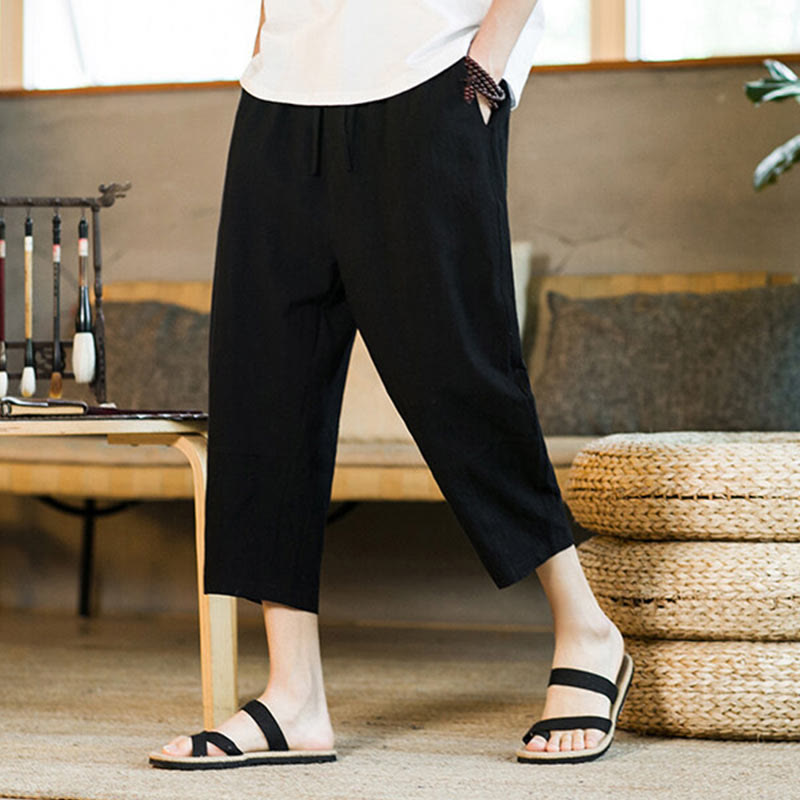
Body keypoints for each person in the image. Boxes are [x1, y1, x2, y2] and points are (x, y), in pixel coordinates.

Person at [149, 0, 632, 769]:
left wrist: (488, 65)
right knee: (265, 385)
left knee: (457, 373)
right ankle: (293, 695)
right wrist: (271, 44)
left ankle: (586, 629)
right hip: (280, 93)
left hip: (430, 78)